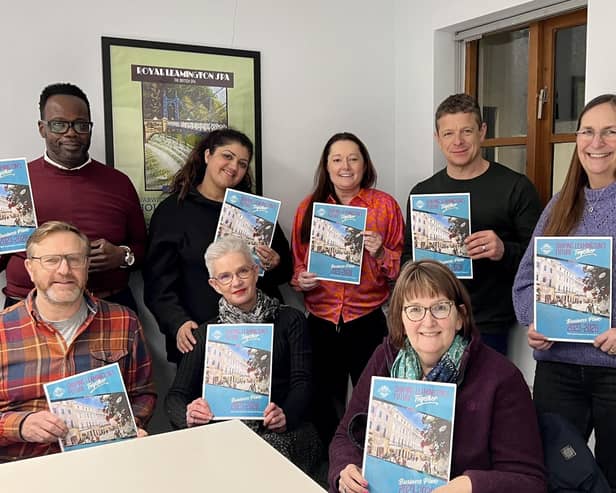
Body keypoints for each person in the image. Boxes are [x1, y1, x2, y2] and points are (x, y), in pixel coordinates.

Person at [329, 260, 546, 493]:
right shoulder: (385, 358)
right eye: (414, 310)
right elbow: (344, 436)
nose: (428, 321)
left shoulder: (502, 377)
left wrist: (471, 485)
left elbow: (529, 481)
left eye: (440, 307)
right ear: (400, 319)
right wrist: (345, 468)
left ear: (460, 316)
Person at [513, 93, 616, 489]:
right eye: (588, 131)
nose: (597, 142)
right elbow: (525, 281)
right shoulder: (559, 206)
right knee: (555, 471)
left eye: (609, 132)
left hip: (613, 371)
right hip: (558, 368)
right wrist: (534, 319)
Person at [0, 221, 156, 462]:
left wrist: (127, 425)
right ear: (30, 268)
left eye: (75, 259)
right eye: (51, 260)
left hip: (103, 460)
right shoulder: (2, 329)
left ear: (86, 266)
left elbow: (143, 393)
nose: (64, 270)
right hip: (22, 466)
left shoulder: (124, 321)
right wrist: (19, 426)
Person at [402, 93, 542, 355]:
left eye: (467, 131)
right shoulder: (422, 193)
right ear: (437, 138)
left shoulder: (516, 187)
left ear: (482, 131)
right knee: (434, 397)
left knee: (483, 396)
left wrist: (503, 250)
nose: (458, 141)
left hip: (489, 323)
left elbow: (540, 262)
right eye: (448, 133)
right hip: (432, 321)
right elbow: (408, 258)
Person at [165, 237, 320, 472]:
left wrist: (285, 414)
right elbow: (175, 396)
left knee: (262, 454)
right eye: (225, 276)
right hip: (224, 436)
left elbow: (303, 383)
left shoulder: (291, 320)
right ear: (215, 285)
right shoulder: (206, 333)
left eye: (243, 271)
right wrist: (189, 413)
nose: (236, 282)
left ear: (256, 271)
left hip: (284, 433)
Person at [291, 132, 404, 447]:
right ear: (326, 166)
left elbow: (400, 270)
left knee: (374, 398)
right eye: (337, 159)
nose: (345, 166)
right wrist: (302, 279)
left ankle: (368, 460)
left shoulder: (385, 206)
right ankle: (332, 464)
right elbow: (297, 266)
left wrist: (381, 253)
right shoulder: (309, 208)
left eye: (353, 158)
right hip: (321, 318)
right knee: (322, 399)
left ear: (364, 164)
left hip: (367, 318)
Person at [143, 128, 292, 364]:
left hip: (258, 337)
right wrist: (177, 323)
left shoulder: (256, 212)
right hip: (199, 337)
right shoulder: (173, 212)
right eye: (227, 156)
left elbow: (286, 272)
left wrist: (275, 263)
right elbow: (157, 285)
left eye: (243, 163)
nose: (234, 167)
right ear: (207, 155)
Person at [1, 83, 146, 312]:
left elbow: (143, 247)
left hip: (108, 308)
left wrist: (122, 255)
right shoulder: (15, 183)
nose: (71, 133)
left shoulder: (119, 183)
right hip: (28, 309)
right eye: (59, 124)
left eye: (80, 125)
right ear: (42, 128)